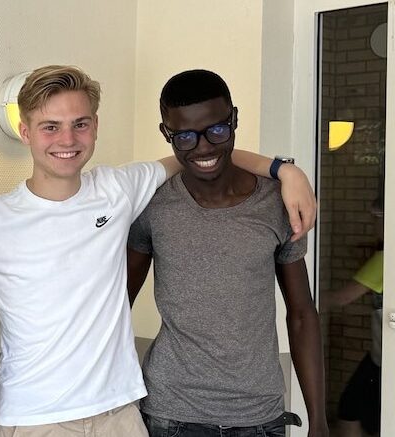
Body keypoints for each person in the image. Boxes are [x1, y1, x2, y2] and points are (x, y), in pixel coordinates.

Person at [0, 65, 317, 436]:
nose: (67, 139)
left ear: (95, 126)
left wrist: (284, 169)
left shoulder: (121, 188)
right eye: (50, 126)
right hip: (35, 418)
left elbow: (198, 150)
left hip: (121, 411)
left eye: (80, 123)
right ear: (26, 131)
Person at [125, 69, 326, 437]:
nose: (203, 148)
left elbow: (301, 314)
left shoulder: (277, 202)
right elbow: (116, 304)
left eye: (217, 130)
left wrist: (319, 420)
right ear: (166, 134)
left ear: (234, 119)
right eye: (184, 137)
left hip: (259, 417)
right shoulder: (152, 205)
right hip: (172, 414)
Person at [327, 199, 383, 437]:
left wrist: (305, 305)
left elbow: (343, 298)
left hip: (385, 359)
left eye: (377, 220)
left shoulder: (385, 259)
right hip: (379, 356)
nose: (374, 226)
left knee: (351, 410)